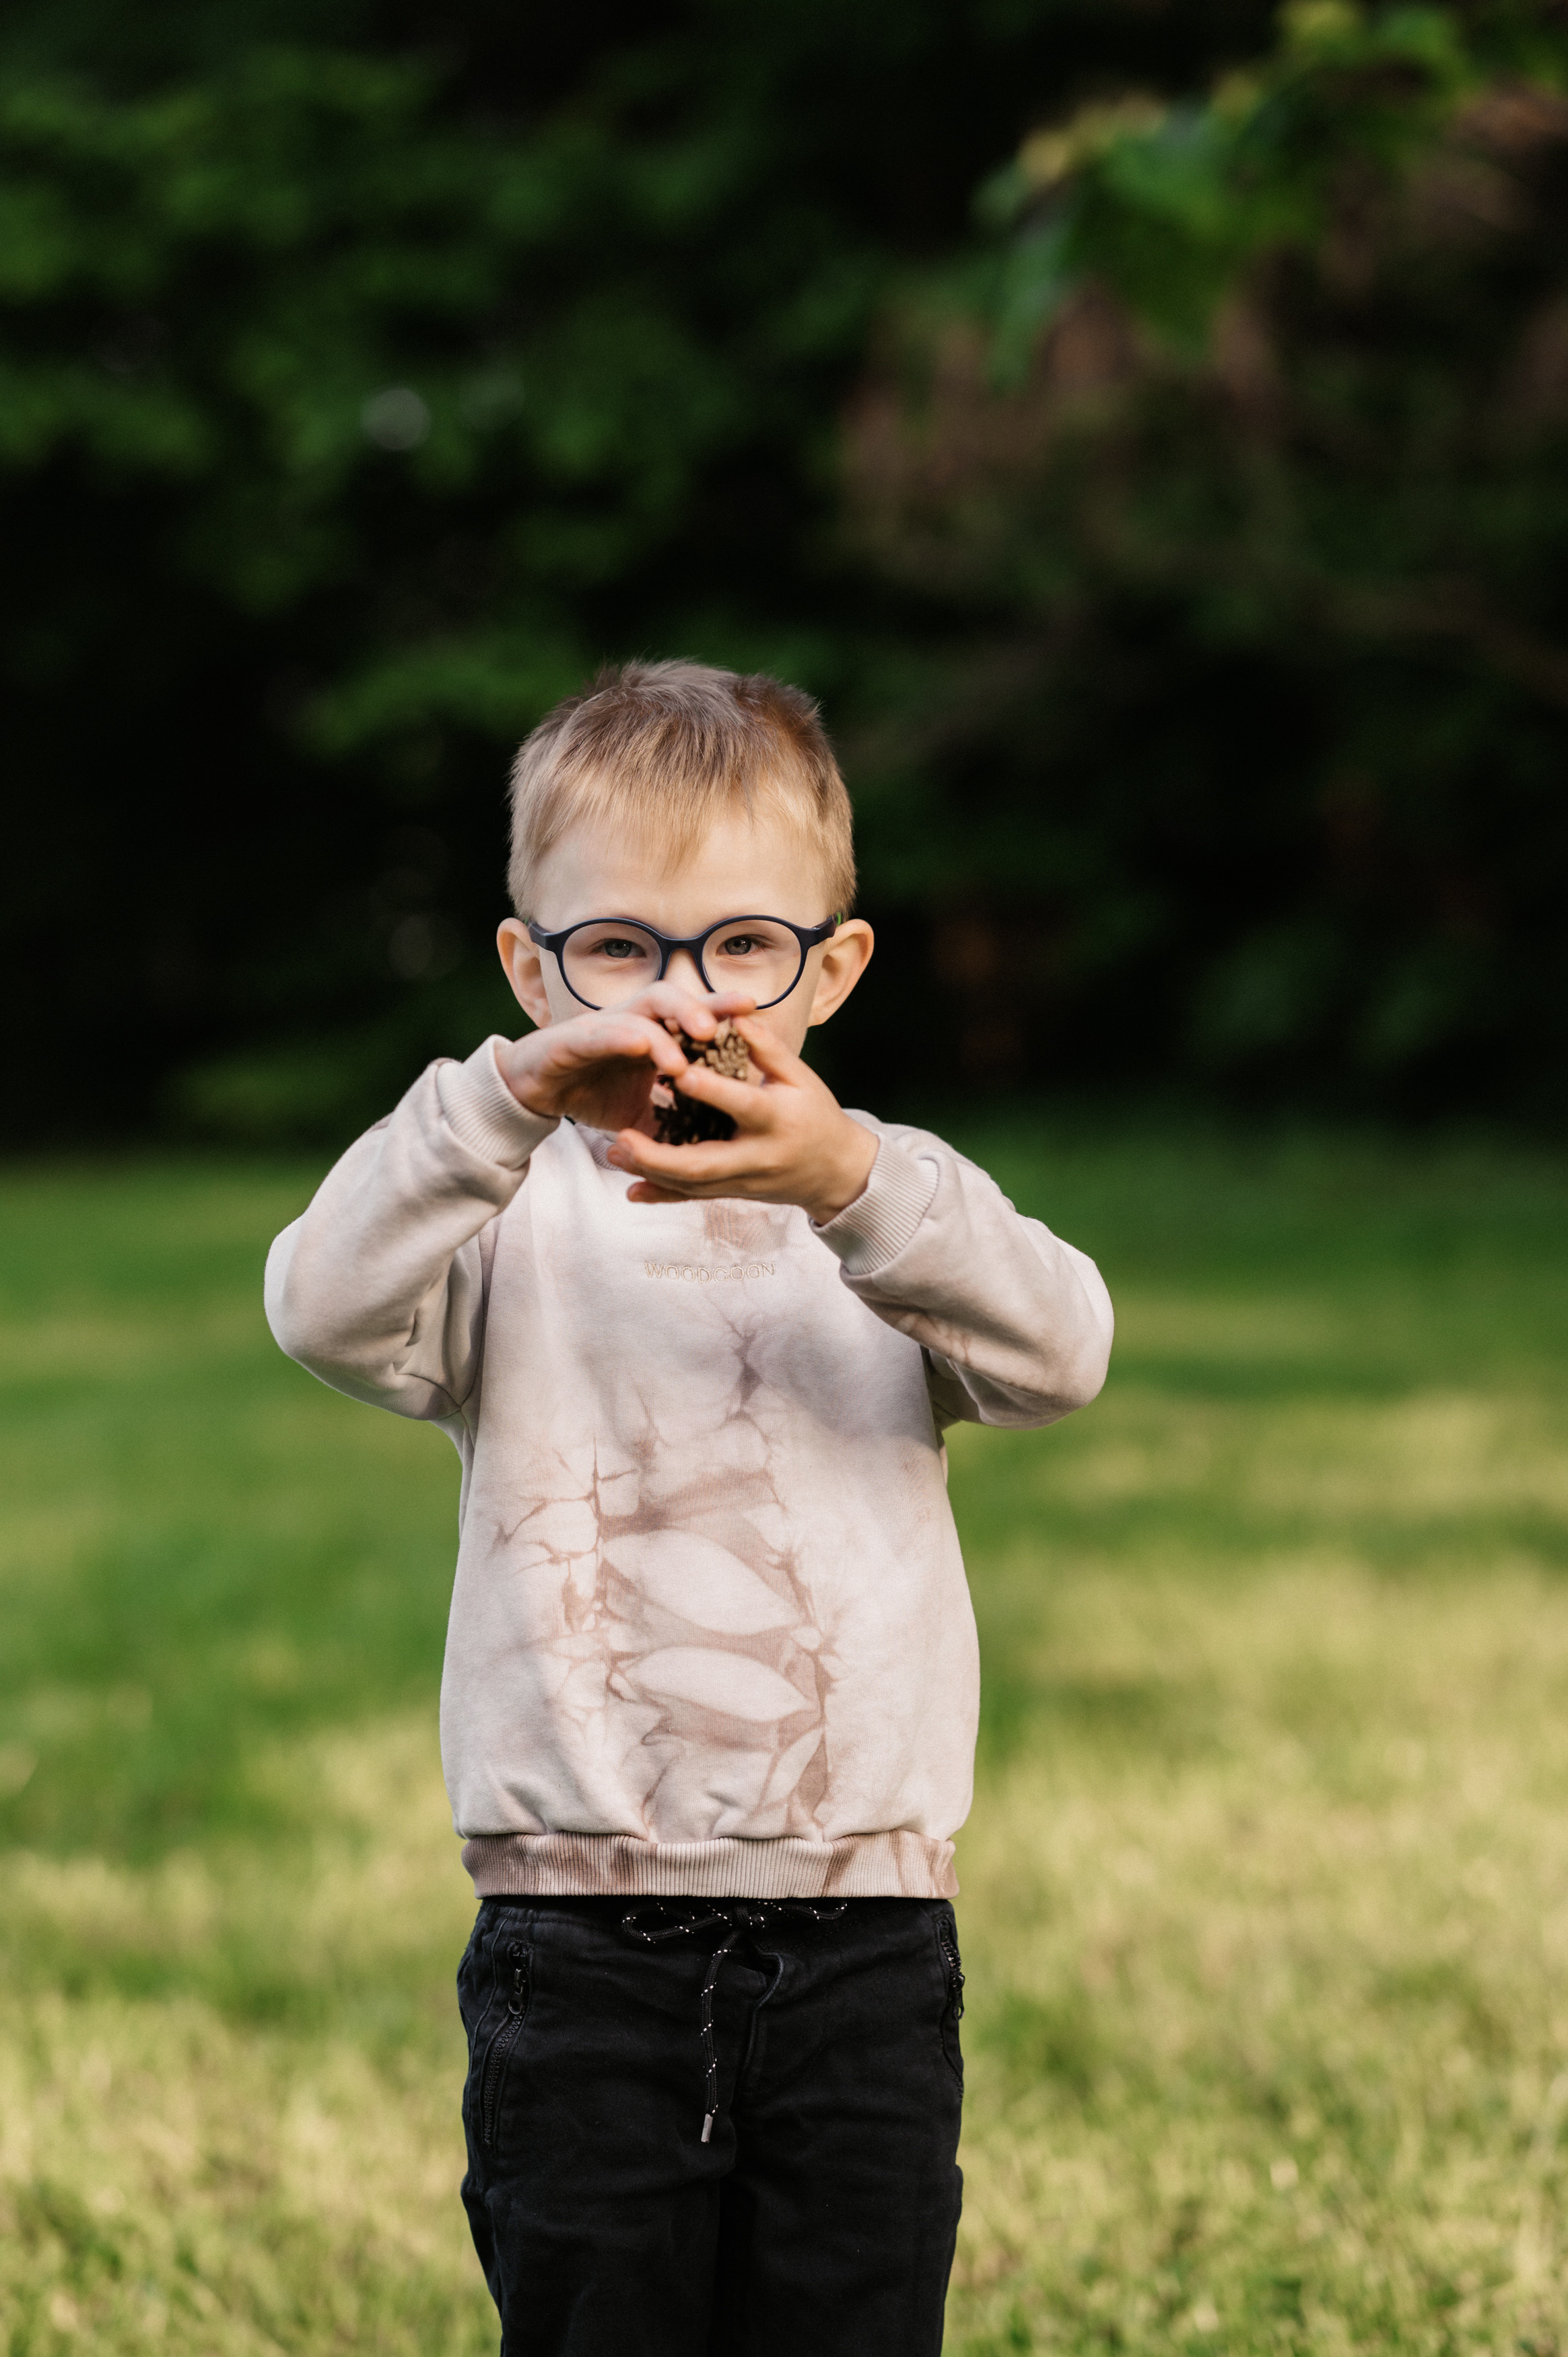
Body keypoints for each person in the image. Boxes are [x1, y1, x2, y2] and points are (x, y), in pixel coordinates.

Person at [264, 659, 1114, 2357]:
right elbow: (317, 1302)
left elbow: (1062, 1353)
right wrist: (494, 1108)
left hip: (867, 1923)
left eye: (743, 945)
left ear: (833, 967)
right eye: (620, 948)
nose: (684, 996)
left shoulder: (886, 1208)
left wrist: (854, 1182)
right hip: (575, 1933)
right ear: (531, 966)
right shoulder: (503, 1225)